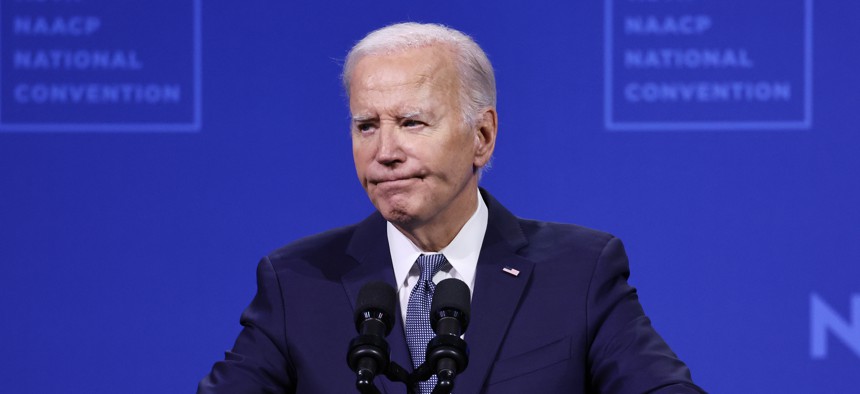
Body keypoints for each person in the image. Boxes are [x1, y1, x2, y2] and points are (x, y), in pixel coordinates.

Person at [199, 22, 704, 393]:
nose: (385, 151)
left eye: (412, 122)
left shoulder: (579, 272)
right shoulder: (297, 281)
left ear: (482, 137)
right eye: (366, 126)